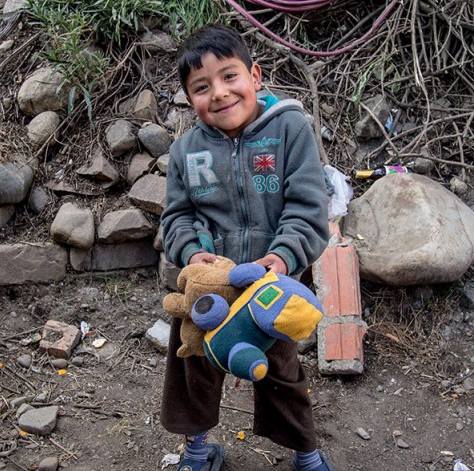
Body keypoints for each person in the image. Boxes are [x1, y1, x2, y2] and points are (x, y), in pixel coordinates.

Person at [160, 24, 334, 471]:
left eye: (229, 76)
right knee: (192, 365)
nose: (219, 93)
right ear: (189, 98)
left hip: (270, 286)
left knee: (282, 372)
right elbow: (176, 217)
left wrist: (283, 257)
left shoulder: (290, 130)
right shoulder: (185, 152)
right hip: (210, 289)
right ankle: (197, 453)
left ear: (255, 76)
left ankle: (306, 455)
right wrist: (191, 253)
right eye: (202, 87)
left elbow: (307, 206)